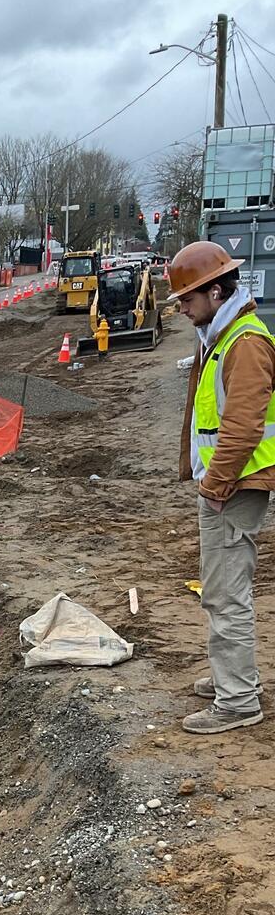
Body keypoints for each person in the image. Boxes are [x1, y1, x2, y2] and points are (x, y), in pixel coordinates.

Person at [170, 240, 275, 734]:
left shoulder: (244, 343)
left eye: (187, 299)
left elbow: (243, 427)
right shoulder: (220, 335)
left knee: (227, 593)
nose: (182, 309)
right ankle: (231, 677)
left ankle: (237, 700)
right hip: (225, 485)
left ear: (216, 291)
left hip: (233, 488)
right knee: (218, 589)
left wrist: (214, 484)